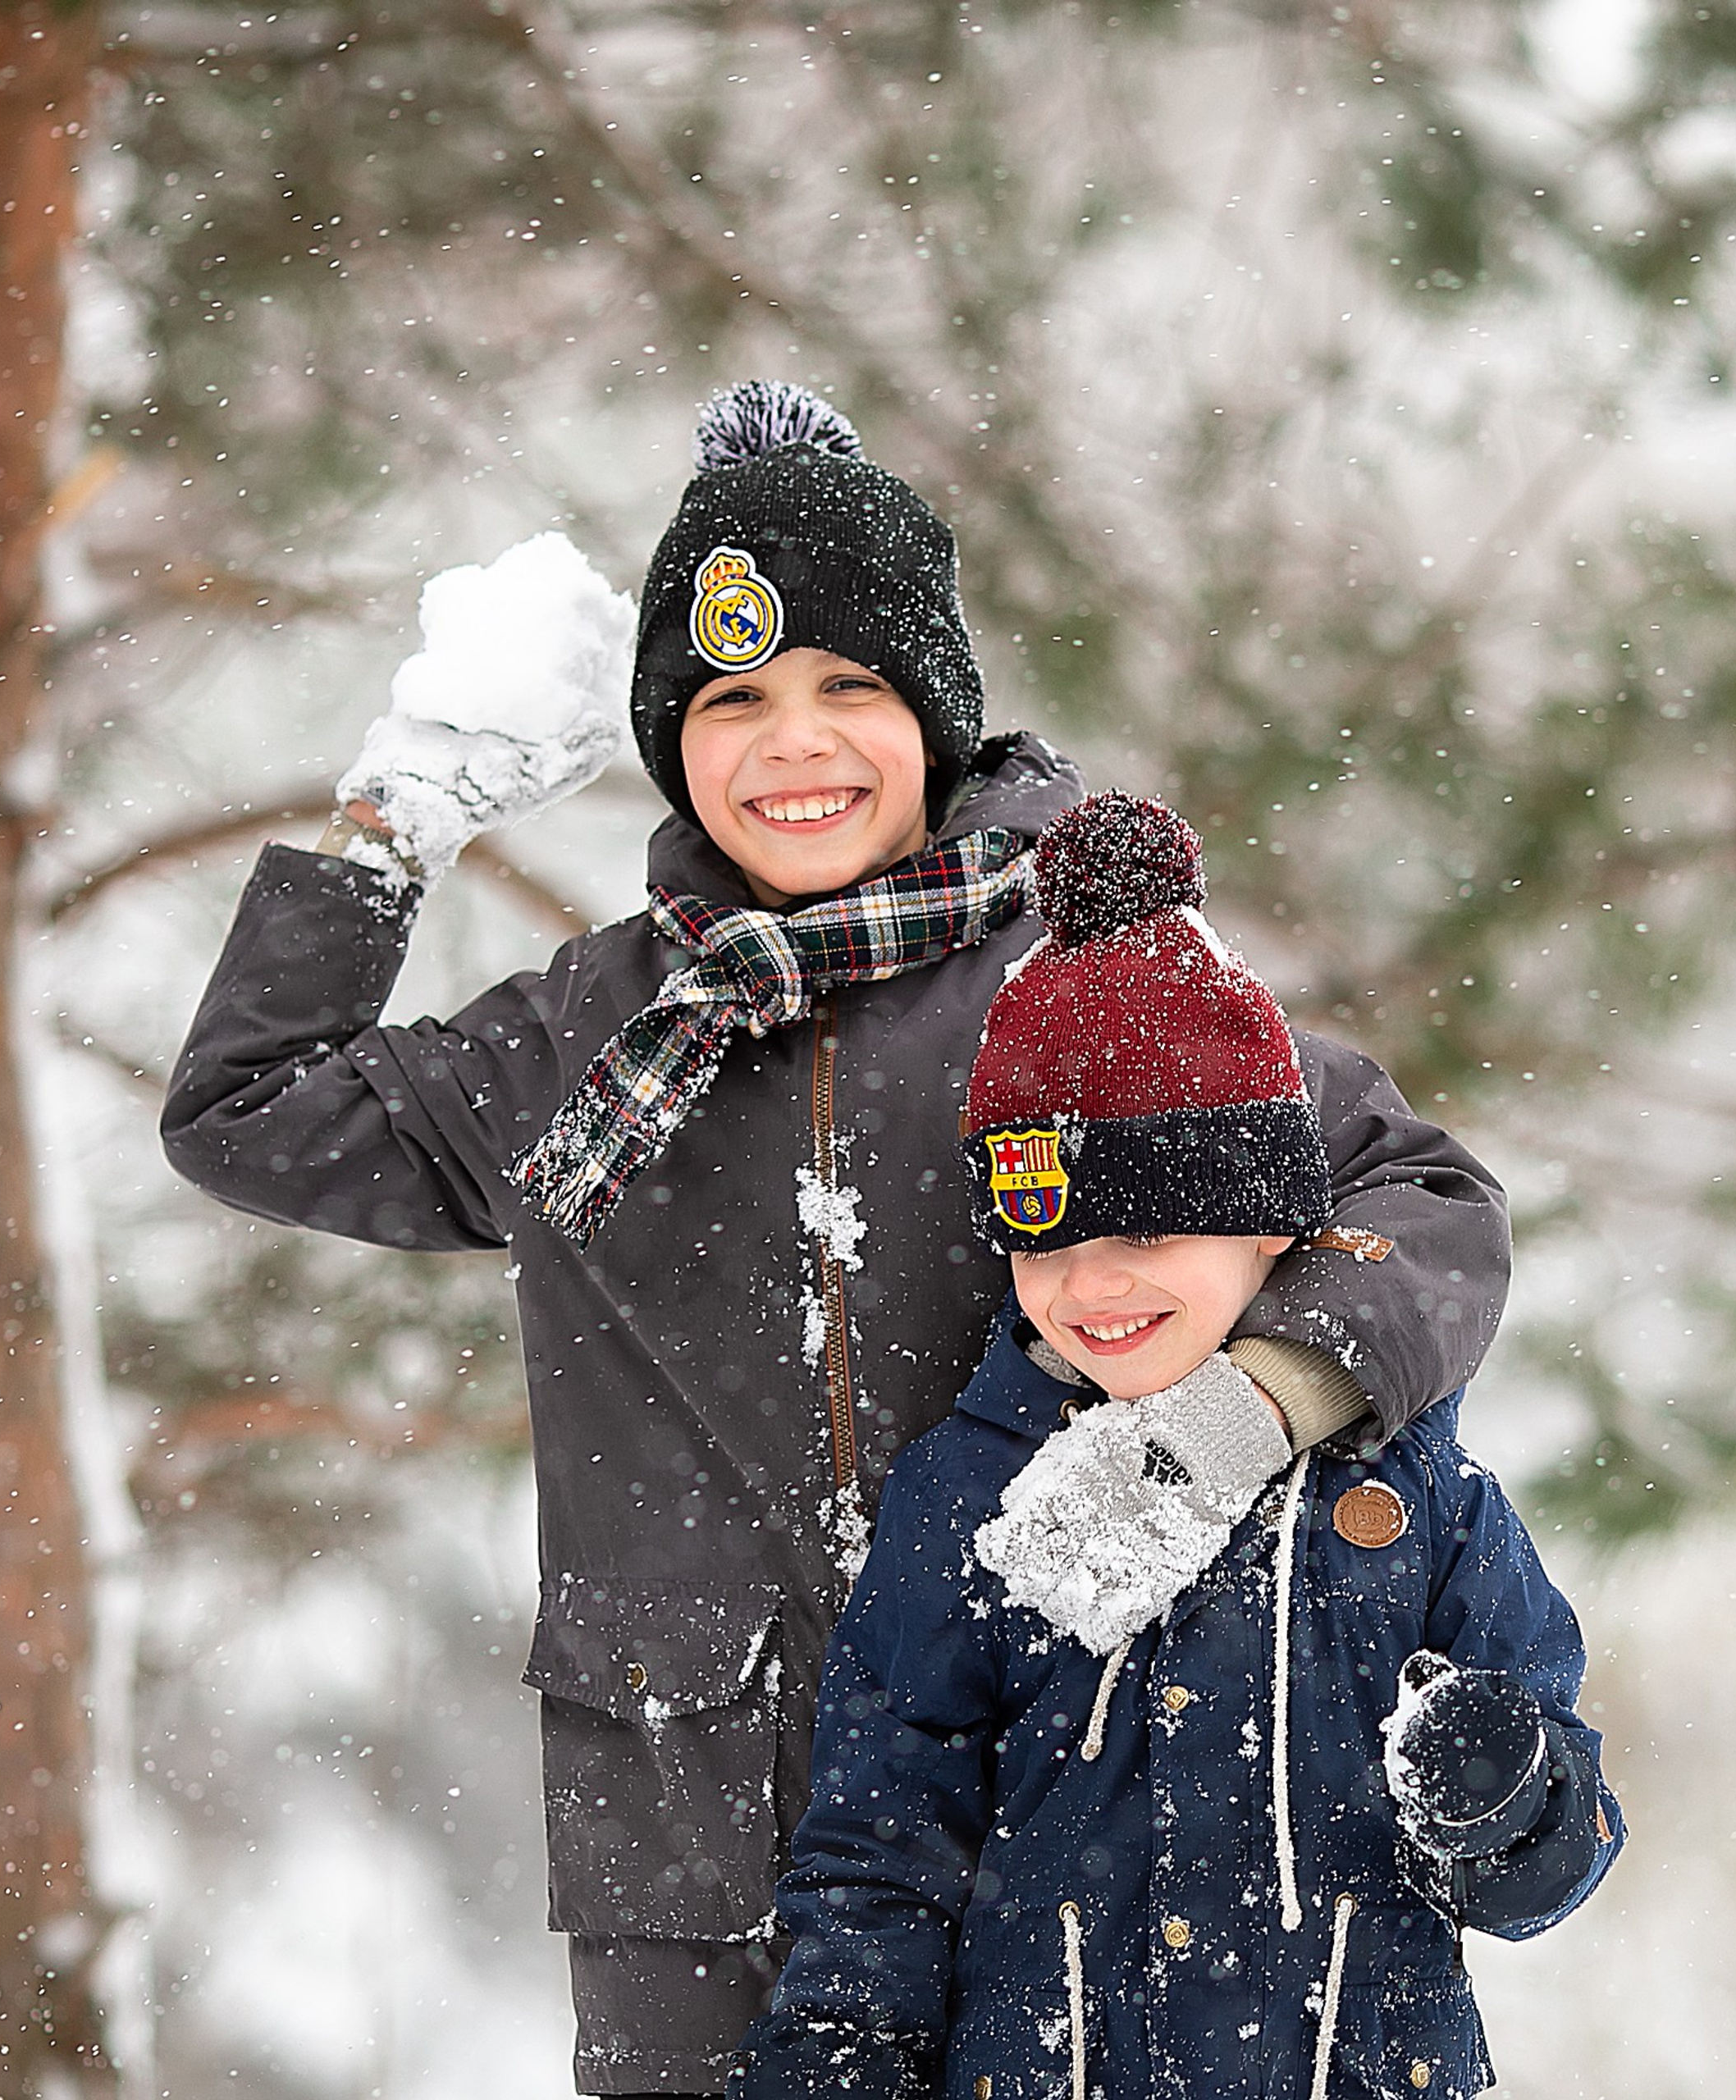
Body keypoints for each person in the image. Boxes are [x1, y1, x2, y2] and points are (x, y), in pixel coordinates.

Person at [160, 385, 1514, 2098]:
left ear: (935, 715)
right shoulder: (596, 1036)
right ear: (672, 742)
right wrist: (397, 816)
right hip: (703, 1888)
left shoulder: (1091, 985)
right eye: (732, 701)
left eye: (847, 689)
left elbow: (1425, 1205)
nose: (792, 744)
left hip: (1071, 1841)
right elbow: (245, 1109)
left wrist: (1242, 1409)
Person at [732, 792, 1621, 2100]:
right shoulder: (967, 1496)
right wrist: (841, 2054)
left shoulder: (1405, 1490)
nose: (1094, 1287)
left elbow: (1559, 1851)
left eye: (1149, 1235)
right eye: (1051, 1237)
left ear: (1272, 1228)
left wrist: (1506, 1796)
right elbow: (880, 1842)